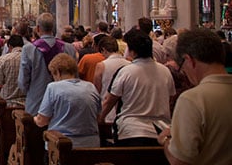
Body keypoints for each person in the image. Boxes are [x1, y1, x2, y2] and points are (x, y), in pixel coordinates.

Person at [156, 28, 232, 165]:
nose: (184, 71)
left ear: (189, 60)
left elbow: (179, 160)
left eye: (182, 66)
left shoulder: (192, 99)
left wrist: (166, 140)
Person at [99, 28, 174, 146]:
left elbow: (109, 100)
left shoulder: (126, 71)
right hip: (161, 131)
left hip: (131, 131)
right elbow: (170, 99)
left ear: (133, 52)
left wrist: (101, 118)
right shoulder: (165, 71)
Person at [33, 53, 100, 148]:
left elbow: (41, 121)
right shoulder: (90, 87)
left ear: (58, 72)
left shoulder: (53, 87)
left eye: (53, 74)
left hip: (61, 144)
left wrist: (34, 119)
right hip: (91, 144)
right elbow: (97, 115)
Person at [18, 12, 76, 115]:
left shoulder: (29, 49)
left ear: (38, 28)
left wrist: (30, 92)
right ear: (53, 28)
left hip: (37, 102)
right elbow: (75, 76)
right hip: (65, 104)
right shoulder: (69, 48)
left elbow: (23, 81)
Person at [92, 35, 130, 123]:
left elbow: (96, 90)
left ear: (104, 50)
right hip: (124, 109)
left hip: (106, 109)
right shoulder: (129, 64)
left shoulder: (101, 65)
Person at [0, 35, 26, 107]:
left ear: (10, 46)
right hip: (27, 102)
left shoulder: (4, 59)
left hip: (7, 102)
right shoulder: (31, 58)